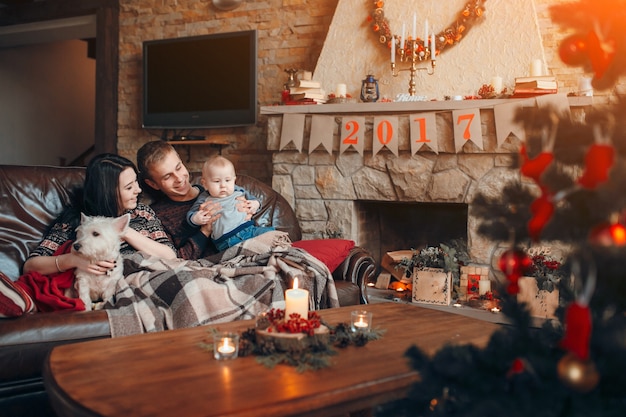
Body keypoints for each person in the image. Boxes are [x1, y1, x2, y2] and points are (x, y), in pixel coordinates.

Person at [22, 154, 177, 277]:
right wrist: (73, 260)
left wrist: (123, 230)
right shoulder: (79, 220)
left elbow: (170, 256)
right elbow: (30, 266)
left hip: (159, 274)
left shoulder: (141, 213)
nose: (138, 190)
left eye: (136, 182)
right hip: (122, 285)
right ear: (107, 193)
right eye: (129, 187)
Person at [136, 141, 257, 258]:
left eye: (178, 168)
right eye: (167, 176)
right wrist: (204, 231)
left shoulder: (218, 191)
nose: (178, 178)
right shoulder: (156, 216)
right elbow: (176, 259)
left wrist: (249, 209)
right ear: (153, 184)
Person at [187, 155, 274, 251]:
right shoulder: (204, 198)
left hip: (250, 230)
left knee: (274, 234)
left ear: (234, 180)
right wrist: (196, 218)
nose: (223, 185)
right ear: (205, 184)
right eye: (216, 181)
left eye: (228, 180)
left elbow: (254, 200)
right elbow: (191, 215)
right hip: (226, 240)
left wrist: (255, 204)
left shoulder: (239, 191)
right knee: (248, 252)